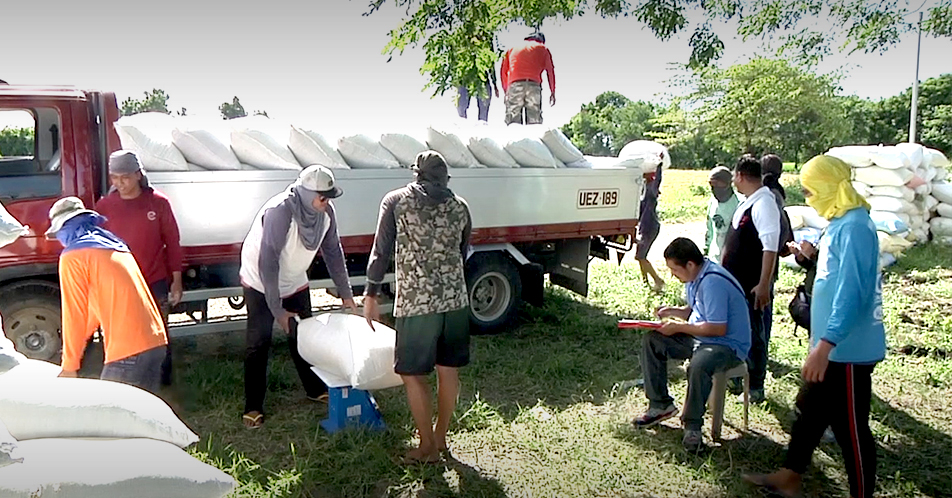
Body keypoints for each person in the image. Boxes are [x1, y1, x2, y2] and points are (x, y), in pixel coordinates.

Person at [743, 155, 884, 498]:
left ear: (827, 186)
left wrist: (826, 344)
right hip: (829, 345)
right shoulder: (838, 222)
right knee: (809, 413)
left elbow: (852, 293)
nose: (807, 197)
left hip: (846, 350)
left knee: (851, 428)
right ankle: (790, 477)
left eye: (810, 190)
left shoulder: (854, 227)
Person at [364, 150, 473, 464]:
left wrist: (371, 294)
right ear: (444, 176)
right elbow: (463, 249)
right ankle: (439, 438)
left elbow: (380, 252)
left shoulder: (397, 202)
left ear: (417, 174)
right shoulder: (460, 206)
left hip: (417, 303)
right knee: (448, 369)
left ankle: (426, 447)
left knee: (412, 373)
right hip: (455, 301)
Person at [238, 165, 357, 429]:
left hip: (294, 279)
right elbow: (267, 260)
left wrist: (346, 294)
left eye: (328, 198)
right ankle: (253, 405)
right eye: (321, 197)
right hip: (261, 280)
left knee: (304, 335)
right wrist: (277, 310)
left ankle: (314, 389)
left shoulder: (325, 214)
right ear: (304, 193)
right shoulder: (281, 211)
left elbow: (333, 252)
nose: (325, 203)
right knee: (258, 342)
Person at [634, 237, 751, 451]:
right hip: (704, 337)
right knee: (653, 340)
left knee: (700, 362)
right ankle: (660, 405)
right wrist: (672, 312)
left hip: (727, 345)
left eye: (674, 270)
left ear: (690, 264)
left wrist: (678, 327)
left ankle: (693, 427)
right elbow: (696, 311)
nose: (672, 275)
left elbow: (717, 328)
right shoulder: (695, 277)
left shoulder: (713, 282)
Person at [45, 197, 168, 393]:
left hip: (128, 351)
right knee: (140, 418)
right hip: (155, 343)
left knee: (110, 420)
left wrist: (69, 366)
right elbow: (96, 309)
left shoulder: (73, 256)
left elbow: (74, 314)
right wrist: (78, 344)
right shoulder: (115, 245)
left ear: (64, 228)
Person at [96, 150, 183, 386]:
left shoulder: (158, 202)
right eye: (114, 178)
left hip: (153, 281)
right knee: (123, 332)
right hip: (120, 283)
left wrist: (176, 280)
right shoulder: (104, 207)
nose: (119, 183)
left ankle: (163, 381)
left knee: (158, 332)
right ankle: (128, 379)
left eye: (124, 177)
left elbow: (172, 242)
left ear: (137, 175)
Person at [720, 154, 781, 404]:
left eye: (735, 176)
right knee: (739, 333)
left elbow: (770, 246)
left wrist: (764, 283)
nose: (733, 181)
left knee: (756, 335)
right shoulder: (749, 201)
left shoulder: (765, 203)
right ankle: (738, 378)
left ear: (742, 176)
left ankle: (755, 386)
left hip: (752, 285)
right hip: (736, 285)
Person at [500, 31, 555, 125]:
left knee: (513, 121)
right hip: (533, 85)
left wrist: (506, 90)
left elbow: (503, 71)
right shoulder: (543, 48)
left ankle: (515, 139)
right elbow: (550, 71)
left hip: (515, 84)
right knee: (534, 121)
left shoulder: (512, 48)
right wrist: (552, 91)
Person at [635, 163, 665, 292]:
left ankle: (658, 281)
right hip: (644, 227)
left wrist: (659, 165)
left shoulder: (652, 190)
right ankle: (645, 282)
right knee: (640, 255)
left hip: (650, 227)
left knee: (641, 256)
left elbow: (658, 180)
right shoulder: (644, 188)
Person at [704, 165, 740, 263]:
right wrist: (706, 250)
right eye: (712, 185)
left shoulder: (739, 204)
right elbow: (709, 228)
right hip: (714, 258)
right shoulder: (712, 202)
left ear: (728, 184)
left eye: (718, 185)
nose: (714, 189)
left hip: (734, 259)